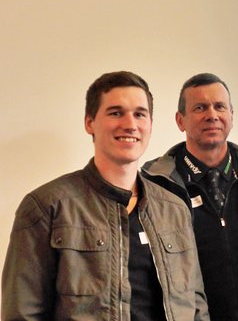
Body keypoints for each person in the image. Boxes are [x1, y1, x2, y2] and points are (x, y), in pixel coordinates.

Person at [1, 71, 209, 320]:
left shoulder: (174, 209)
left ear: (150, 124)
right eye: (116, 113)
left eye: (140, 114)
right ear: (90, 122)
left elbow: (196, 306)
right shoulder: (47, 206)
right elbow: (22, 313)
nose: (130, 124)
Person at [142, 73, 238, 321]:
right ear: (181, 121)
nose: (211, 115)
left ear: (231, 116)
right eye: (200, 107)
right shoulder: (157, 184)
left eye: (219, 106)